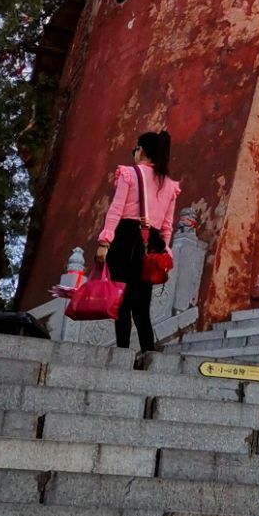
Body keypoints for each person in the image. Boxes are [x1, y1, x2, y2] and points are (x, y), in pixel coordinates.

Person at [97, 131, 179, 361]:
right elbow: (167, 227)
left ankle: (123, 353)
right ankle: (149, 353)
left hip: (125, 239)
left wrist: (105, 241)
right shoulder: (170, 185)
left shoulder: (130, 174)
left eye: (136, 148)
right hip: (151, 245)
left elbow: (116, 209)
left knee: (121, 301)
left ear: (141, 149)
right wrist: (164, 251)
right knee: (142, 305)